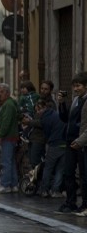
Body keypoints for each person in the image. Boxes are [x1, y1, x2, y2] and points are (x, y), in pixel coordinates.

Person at [56, 71, 87, 214]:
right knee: (68, 173)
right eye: (74, 86)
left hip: (82, 143)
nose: (75, 89)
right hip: (70, 141)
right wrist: (61, 104)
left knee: (84, 175)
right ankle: (70, 202)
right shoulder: (75, 100)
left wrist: (80, 141)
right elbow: (65, 118)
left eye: (78, 86)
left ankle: (85, 205)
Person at [36, 99, 66, 198]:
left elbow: (47, 134)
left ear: (45, 108)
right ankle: (55, 191)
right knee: (60, 169)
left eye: (39, 109)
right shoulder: (55, 114)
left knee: (48, 168)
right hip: (64, 144)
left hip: (55, 144)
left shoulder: (45, 119)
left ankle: (44, 190)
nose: (38, 112)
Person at [0, 83, 20, 194]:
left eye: (2, 92)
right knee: (11, 161)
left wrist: (0, 136)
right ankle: (14, 184)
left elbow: (6, 122)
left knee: (5, 161)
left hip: (8, 137)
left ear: (7, 93)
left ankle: (5, 185)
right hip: (11, 136)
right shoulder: (8, 103)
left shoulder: (8, 105)